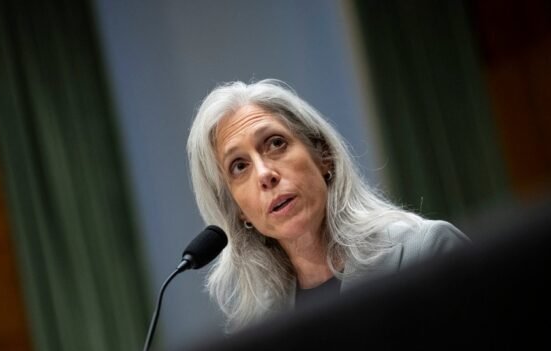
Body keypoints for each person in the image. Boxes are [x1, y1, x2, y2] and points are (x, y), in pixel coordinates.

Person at [186, 79, 469, 332]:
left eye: (275, 143)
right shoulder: (262, 328)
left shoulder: (424, 252)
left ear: (324, 156)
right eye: (239, 166)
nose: (264, 174)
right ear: (238, 211)